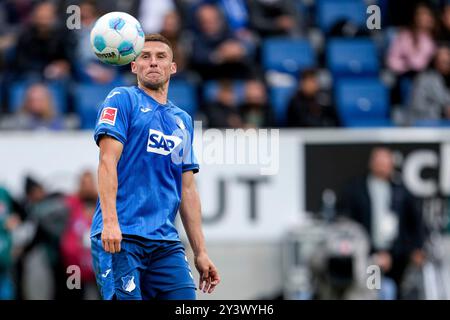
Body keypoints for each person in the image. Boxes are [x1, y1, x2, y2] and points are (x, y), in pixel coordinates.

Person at [90, 33, 220, 300]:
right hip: (122, 236)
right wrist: (111, 223)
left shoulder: (182, 121)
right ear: (133, 65)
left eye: (161, 57)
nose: (153, 62)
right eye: (145, 57)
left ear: (173, 67)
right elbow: (106, 162)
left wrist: (201, 252)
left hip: (166, 243)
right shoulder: (122, 99)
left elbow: (187, 190)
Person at [337, 147, 426, 299]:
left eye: (386, 162)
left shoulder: (400, 190)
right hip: (370, 257)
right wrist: (373, 254)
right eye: (379, 162)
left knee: (397, 292)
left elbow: (415, 221)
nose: (383, 166)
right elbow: (347, 223)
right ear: (372, 163)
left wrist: (416, 248)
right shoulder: (357, 189)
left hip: (397, 257)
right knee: (373, 292)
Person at [409, 46, 450, 123]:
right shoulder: (423, 80)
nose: (447, 65)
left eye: (448, 62)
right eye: (443, 62)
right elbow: (417, 106)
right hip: (431, 126)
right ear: (435, 62)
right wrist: (442, 111)